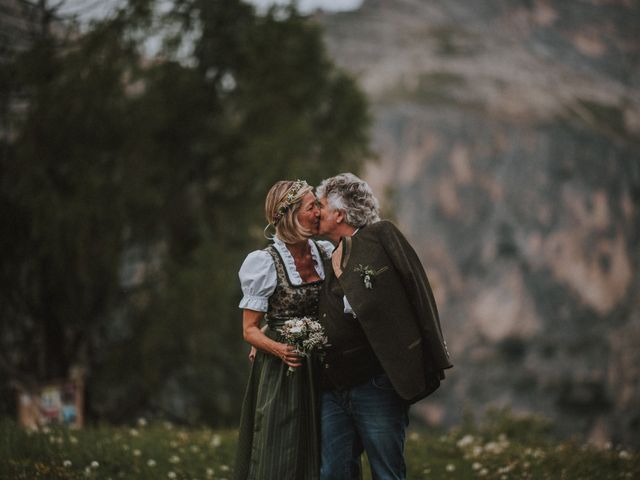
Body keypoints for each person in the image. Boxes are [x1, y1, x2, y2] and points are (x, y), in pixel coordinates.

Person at [316, 173, 453, 480]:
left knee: (386, 472)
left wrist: (429, 357)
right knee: (332, 474)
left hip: (375, 383)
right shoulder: (323, 254)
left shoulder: (380, 236)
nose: (316, 212)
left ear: (339, 213)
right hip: (331, 386)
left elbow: (417, 290)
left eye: (322, 206)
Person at [233, 179, 334, 480]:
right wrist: (279, 349)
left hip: (323, 364)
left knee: (324, 449)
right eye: (312, 206)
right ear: (291, 216)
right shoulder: (264, 262)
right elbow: (249, 330)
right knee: (280, 447)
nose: (320, 211)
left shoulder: (325, 251)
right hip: (282, 369)